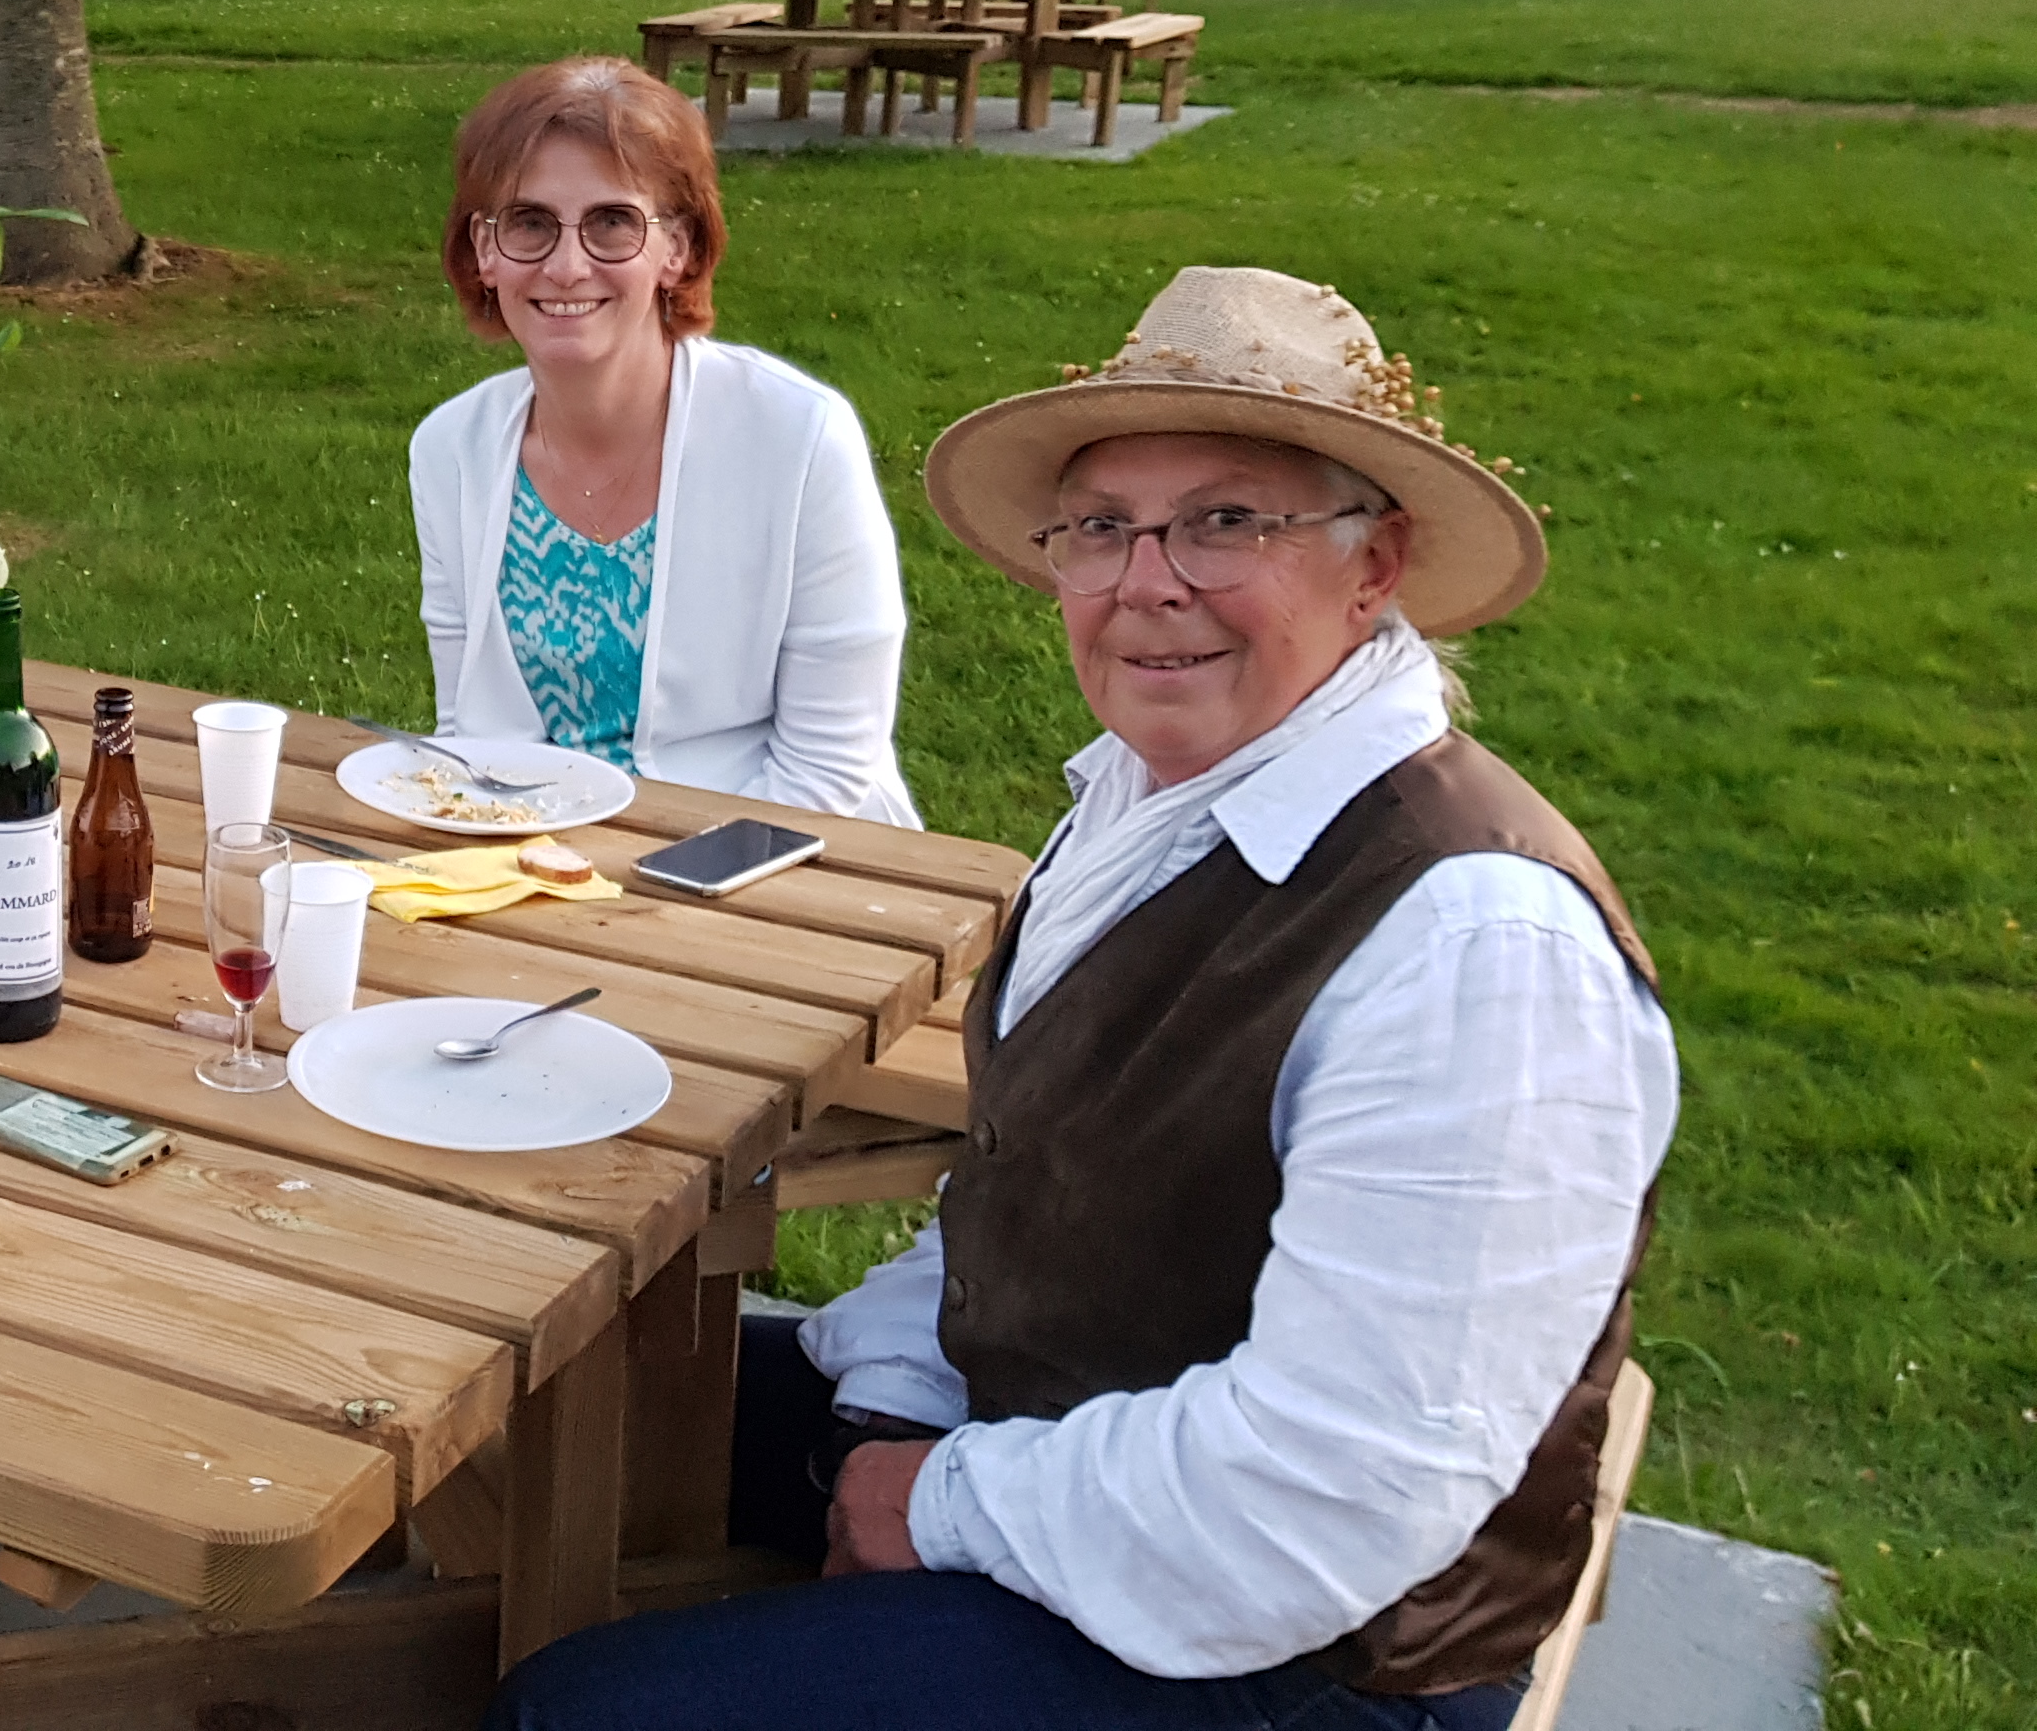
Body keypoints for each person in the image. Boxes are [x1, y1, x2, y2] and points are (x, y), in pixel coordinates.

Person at [488, 267, 1676, 1731]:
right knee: (538, 1416)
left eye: (1227, 521)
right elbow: (1034, 1179)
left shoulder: (1475, 947)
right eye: (1103, 527)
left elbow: (1337, 1497)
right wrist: (895, 1400)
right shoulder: (1155, 798)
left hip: (1317, 1657)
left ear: (1375, 566)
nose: (1148, 582)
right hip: (1065, 1444)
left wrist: (932, 1500)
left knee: (576, 1718)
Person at [410, 57, 919, 827]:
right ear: (484, 250)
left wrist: (637, 877)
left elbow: (827, 770)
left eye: (613, 223)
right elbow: (469, 736)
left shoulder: (798, 437)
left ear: (676, 248)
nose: (567, 266)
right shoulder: (451, 449)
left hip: (779, 852)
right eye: (529, 223)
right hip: (536, 846)